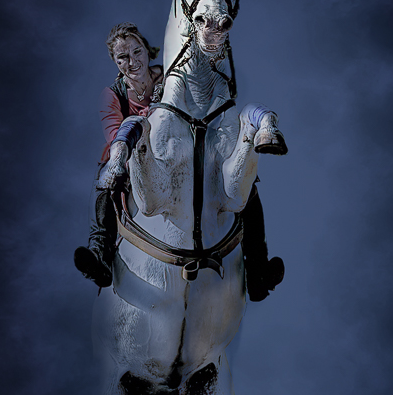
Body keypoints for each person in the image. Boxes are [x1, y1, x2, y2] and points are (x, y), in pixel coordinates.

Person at [74, 22, 284, 301]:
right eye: (122, 57)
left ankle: (257, 269)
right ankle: (101, 254)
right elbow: (114, 133)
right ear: (115, 61)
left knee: (247, 183)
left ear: (147, 50)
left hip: (183, 148)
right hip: (134, 155)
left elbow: (200, 103)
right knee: (104, 180)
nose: (132, 62)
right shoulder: (112, 94)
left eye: (136, 52)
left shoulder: (172, 76)